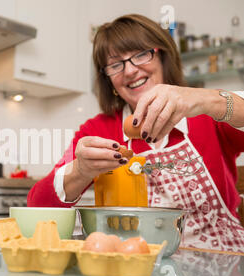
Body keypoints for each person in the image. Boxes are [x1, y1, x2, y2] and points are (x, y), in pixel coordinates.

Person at [27, 14, 244, 253]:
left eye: (141, 54)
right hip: (135, 268)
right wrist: (80, 170)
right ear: (109, 80)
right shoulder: (98, 130)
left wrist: (209, 99)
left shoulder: (207, 115)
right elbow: (38, 205)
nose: (130, 70)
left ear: (163, 58)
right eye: (115, 64)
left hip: (224, 263)